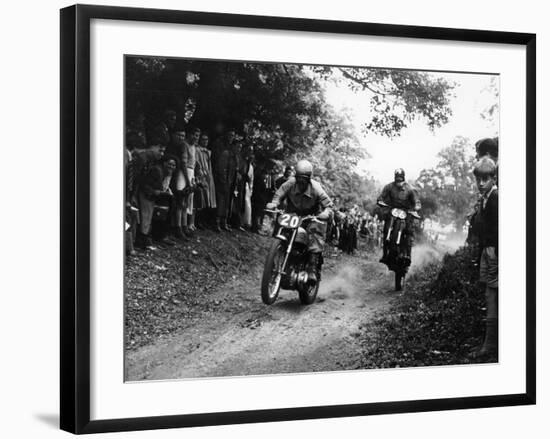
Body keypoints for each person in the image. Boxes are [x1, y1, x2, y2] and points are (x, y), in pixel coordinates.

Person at [266, 160, 333, 284]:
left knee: (315, 231)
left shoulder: (316, 188)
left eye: (304, 179)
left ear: (309, 178)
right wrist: (274, 203)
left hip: (310, 217)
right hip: (292, 215)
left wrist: (325, 213)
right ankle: (276, 259)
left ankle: (312, 267)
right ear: (295, 176)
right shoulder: (290, 183)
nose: (301, 182)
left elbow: (328, 205)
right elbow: (278, 194)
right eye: (299, 178)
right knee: (281, 228)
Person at [470, 156, 499, 358]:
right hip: (486, 251)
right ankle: (489, 342)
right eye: (478, 179)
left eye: (485, 179)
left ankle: (491, 345)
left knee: (493, 295)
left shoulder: (496, 198)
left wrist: (496, 250)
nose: (481, 183)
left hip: (494, 251)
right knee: (489, 295)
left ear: (493, 178)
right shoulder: (485, 198)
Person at [377, 168, 421, 263]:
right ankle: (385, 254)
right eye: (397, 179)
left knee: (409, 230)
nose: (399, 181)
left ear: (404, 178)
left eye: (400, 179)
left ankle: (408, 255)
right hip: (393, 210)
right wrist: (380, 201)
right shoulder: (389, 187)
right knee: (386, 228)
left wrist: (416, 208)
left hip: (406, 212)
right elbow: (381, 196)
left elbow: (417, 201)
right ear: (395, 178)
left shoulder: (410, 189)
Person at [212, 129, 237, 232]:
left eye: (233, 136)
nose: (231, 137)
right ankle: (216, 222)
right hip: (222, 179)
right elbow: (221, 166)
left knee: (226, 201)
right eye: (230, 135)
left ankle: (223, 221)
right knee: (220, 200)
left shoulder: (232, 151)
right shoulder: (224, 150)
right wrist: (223, 179)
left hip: (229, 179)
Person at [194, 132, 217, 229]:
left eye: (206, 140)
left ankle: (203, 220)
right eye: (203, 139)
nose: (205, 142)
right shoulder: (197, 150)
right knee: (201, 197)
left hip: (208, 174)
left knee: (208, 198)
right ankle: (197, 221)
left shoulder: (208, 152)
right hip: (201, 174)